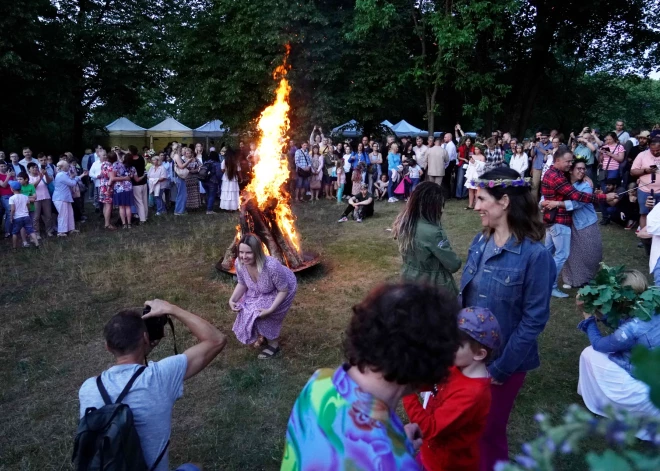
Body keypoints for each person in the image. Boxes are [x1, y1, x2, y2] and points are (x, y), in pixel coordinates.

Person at [281, 282, 461, 470]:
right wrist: (398, 452)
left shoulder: (319, 382)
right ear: (427, 367)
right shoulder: (397, 464)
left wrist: (399, 442)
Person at [459, 167, 555, 471]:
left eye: (482, 199)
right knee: (464, 427)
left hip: (503, 364)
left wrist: (500, 368)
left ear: (504, 202)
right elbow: (466, 298)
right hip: (467, 356)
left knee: (488, 431)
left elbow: (534, 320)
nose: (476, 206)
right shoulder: (479, 241)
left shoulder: (536, 257)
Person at [78, 300, 227, 471]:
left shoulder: (88, 388)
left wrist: (142, 349)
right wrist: (172, 309)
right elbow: (216, 340)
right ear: (145, 338)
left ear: (107, 347)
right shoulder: (159, 377)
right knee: (194, 467)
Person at [403, 307, 501, 471]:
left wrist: (407, 392)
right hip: (432, 454)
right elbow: (436, 381)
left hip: (447, 465)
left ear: (478, 354)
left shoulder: (472, 394)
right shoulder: (459, 366)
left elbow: (429, 428)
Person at [577, 270, 660, 438]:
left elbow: (600, 344)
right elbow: (622, 325)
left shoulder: (631, 330)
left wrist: (588, 318)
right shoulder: (652, 304)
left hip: (646, 380)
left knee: (589, 353)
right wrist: (599, 313)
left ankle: (601, 399)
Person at [542, 150, 618, 297]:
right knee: (561, 255)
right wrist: (604, 197)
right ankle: (550, 287)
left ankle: (540, 281)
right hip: (559, 221)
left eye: (572, 162)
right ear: (557, 160)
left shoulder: (553, 173)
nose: (570, 164)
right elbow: (577, 197)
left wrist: (552, 203)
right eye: (568, 162)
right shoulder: (557, 176)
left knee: (547, 253)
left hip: (552, 220)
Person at [228, 233, 297, 359]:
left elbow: (283, 290)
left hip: (283, 289)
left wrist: (271, 310)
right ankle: (263, 335)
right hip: (259, 288)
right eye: (241, 252)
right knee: (247, 308)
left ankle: (273, 344)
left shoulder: (271, 266)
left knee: (263, 313)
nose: (244, 256)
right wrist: (232, 299)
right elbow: (242, 283)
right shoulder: (239, 263)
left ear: (257, 251)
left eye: (248, 253)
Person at [393, 181, 461, 294]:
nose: (442, 210)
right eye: (440, 205)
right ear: (432, 206)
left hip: (408, 280)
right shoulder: (433, 232)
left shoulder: (404, 223)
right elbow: (453, 264)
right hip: (432, 286)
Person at [553, 158, 603, 289]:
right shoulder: (564, 183)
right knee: (571, 252)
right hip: (568, 222)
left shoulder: (586, 186)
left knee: (590, 252)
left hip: (585, 222)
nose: (581, 171)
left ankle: (588, 278)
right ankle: (571, 279)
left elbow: (578, 203)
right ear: (571, 170)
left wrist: (557, 204)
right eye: (578, 169)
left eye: (583, 169)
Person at [630, 136, 660, 229]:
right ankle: (644, 238)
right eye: (652, 150)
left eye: (658, 150)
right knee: (644, 214)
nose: (655, 152)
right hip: (644, 190)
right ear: (649, 147)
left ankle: (656, 239)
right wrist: (646, 171)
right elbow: (632, 172)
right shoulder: (642, 155)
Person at [53, 160, 86, 237]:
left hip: (65, 197)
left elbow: (72, 178)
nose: (68, 166)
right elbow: (72, 183)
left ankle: (71, 229)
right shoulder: (61, 175)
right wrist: (76, 178)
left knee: (70, 213)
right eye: (67, 165)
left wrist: (82, 175)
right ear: (62, 167)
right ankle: (61, 232)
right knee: (63, 214)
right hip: (60, 198)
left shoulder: (64, 174)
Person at [8, 180, 39, 249]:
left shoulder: (11, 198)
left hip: (17, 217)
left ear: (12, 189)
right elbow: (28, 206)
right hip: (26, 216)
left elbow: (13, 209)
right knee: (31, 231)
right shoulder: (25, 197)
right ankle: (37, 244)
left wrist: (11, 217)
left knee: (15, 232)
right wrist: (27, 212)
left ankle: (14, 247)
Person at [109, 152, 136, 229]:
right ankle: (129, 224)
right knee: (128, 207)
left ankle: (124, 224)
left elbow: (113, 177)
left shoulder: (116, 165)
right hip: (129, 188)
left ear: (124, 158)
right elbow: (131, 176)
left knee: (121, 207)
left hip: (119, 188)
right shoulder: (132, 167)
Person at [27, 162, 53, 237]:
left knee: (48, 215)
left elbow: (48, 182)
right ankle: (36, 233)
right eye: (33, 167)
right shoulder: (28, 178)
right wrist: (40, 178)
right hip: (35, 199)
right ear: (29, 169)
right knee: (36, 217)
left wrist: (46, 174)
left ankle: (49, 231)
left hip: (46, 197)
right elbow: (32, 187)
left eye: (36, 167)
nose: (35, 169)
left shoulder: (41, 175)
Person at [464, 146, 486, 210]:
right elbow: (470, 166)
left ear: (480, 150)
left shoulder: (482, 157)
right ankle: (470, 205)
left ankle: (477, 205)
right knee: (470, 190)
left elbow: (481, 168)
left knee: (477, 191)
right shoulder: (472, 156)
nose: (476, 150)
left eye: (477, 149)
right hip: (472, 174)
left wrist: (475, 163)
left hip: (477, 175)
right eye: (475, 149)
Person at [172, 143, 192, 215]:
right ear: (178, 149)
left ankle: (179, 210)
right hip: (179, 177)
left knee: (180, 194)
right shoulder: (177, 156)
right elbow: (181, 166)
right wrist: (188, 161)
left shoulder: (175, 156)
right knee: (182, 194)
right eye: (181, 149)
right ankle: (179, 211)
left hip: (177, 177)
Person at [531, 132, 552, 199]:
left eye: (544, 138)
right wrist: (533, 147)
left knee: (544, 185)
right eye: (541, 138)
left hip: (547, 168)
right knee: (534, 185)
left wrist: (539, 148)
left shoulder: (551, 145)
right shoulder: (538, 144)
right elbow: (532, 155)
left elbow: (547, 153)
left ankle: (543, 202)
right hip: (537, 166)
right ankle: (533, 202)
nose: (543, 139)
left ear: (548, 137)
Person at [441, 133, 458, 199]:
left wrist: (445, 166)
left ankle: (447, 195)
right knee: (446, 180)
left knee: (446, 180)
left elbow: (449, 157)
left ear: (449, 138)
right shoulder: (448, 145)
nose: (444, 138)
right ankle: (447, 194)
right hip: (448, 164)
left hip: (449, 164)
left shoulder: (451, 146)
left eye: (445, 137)